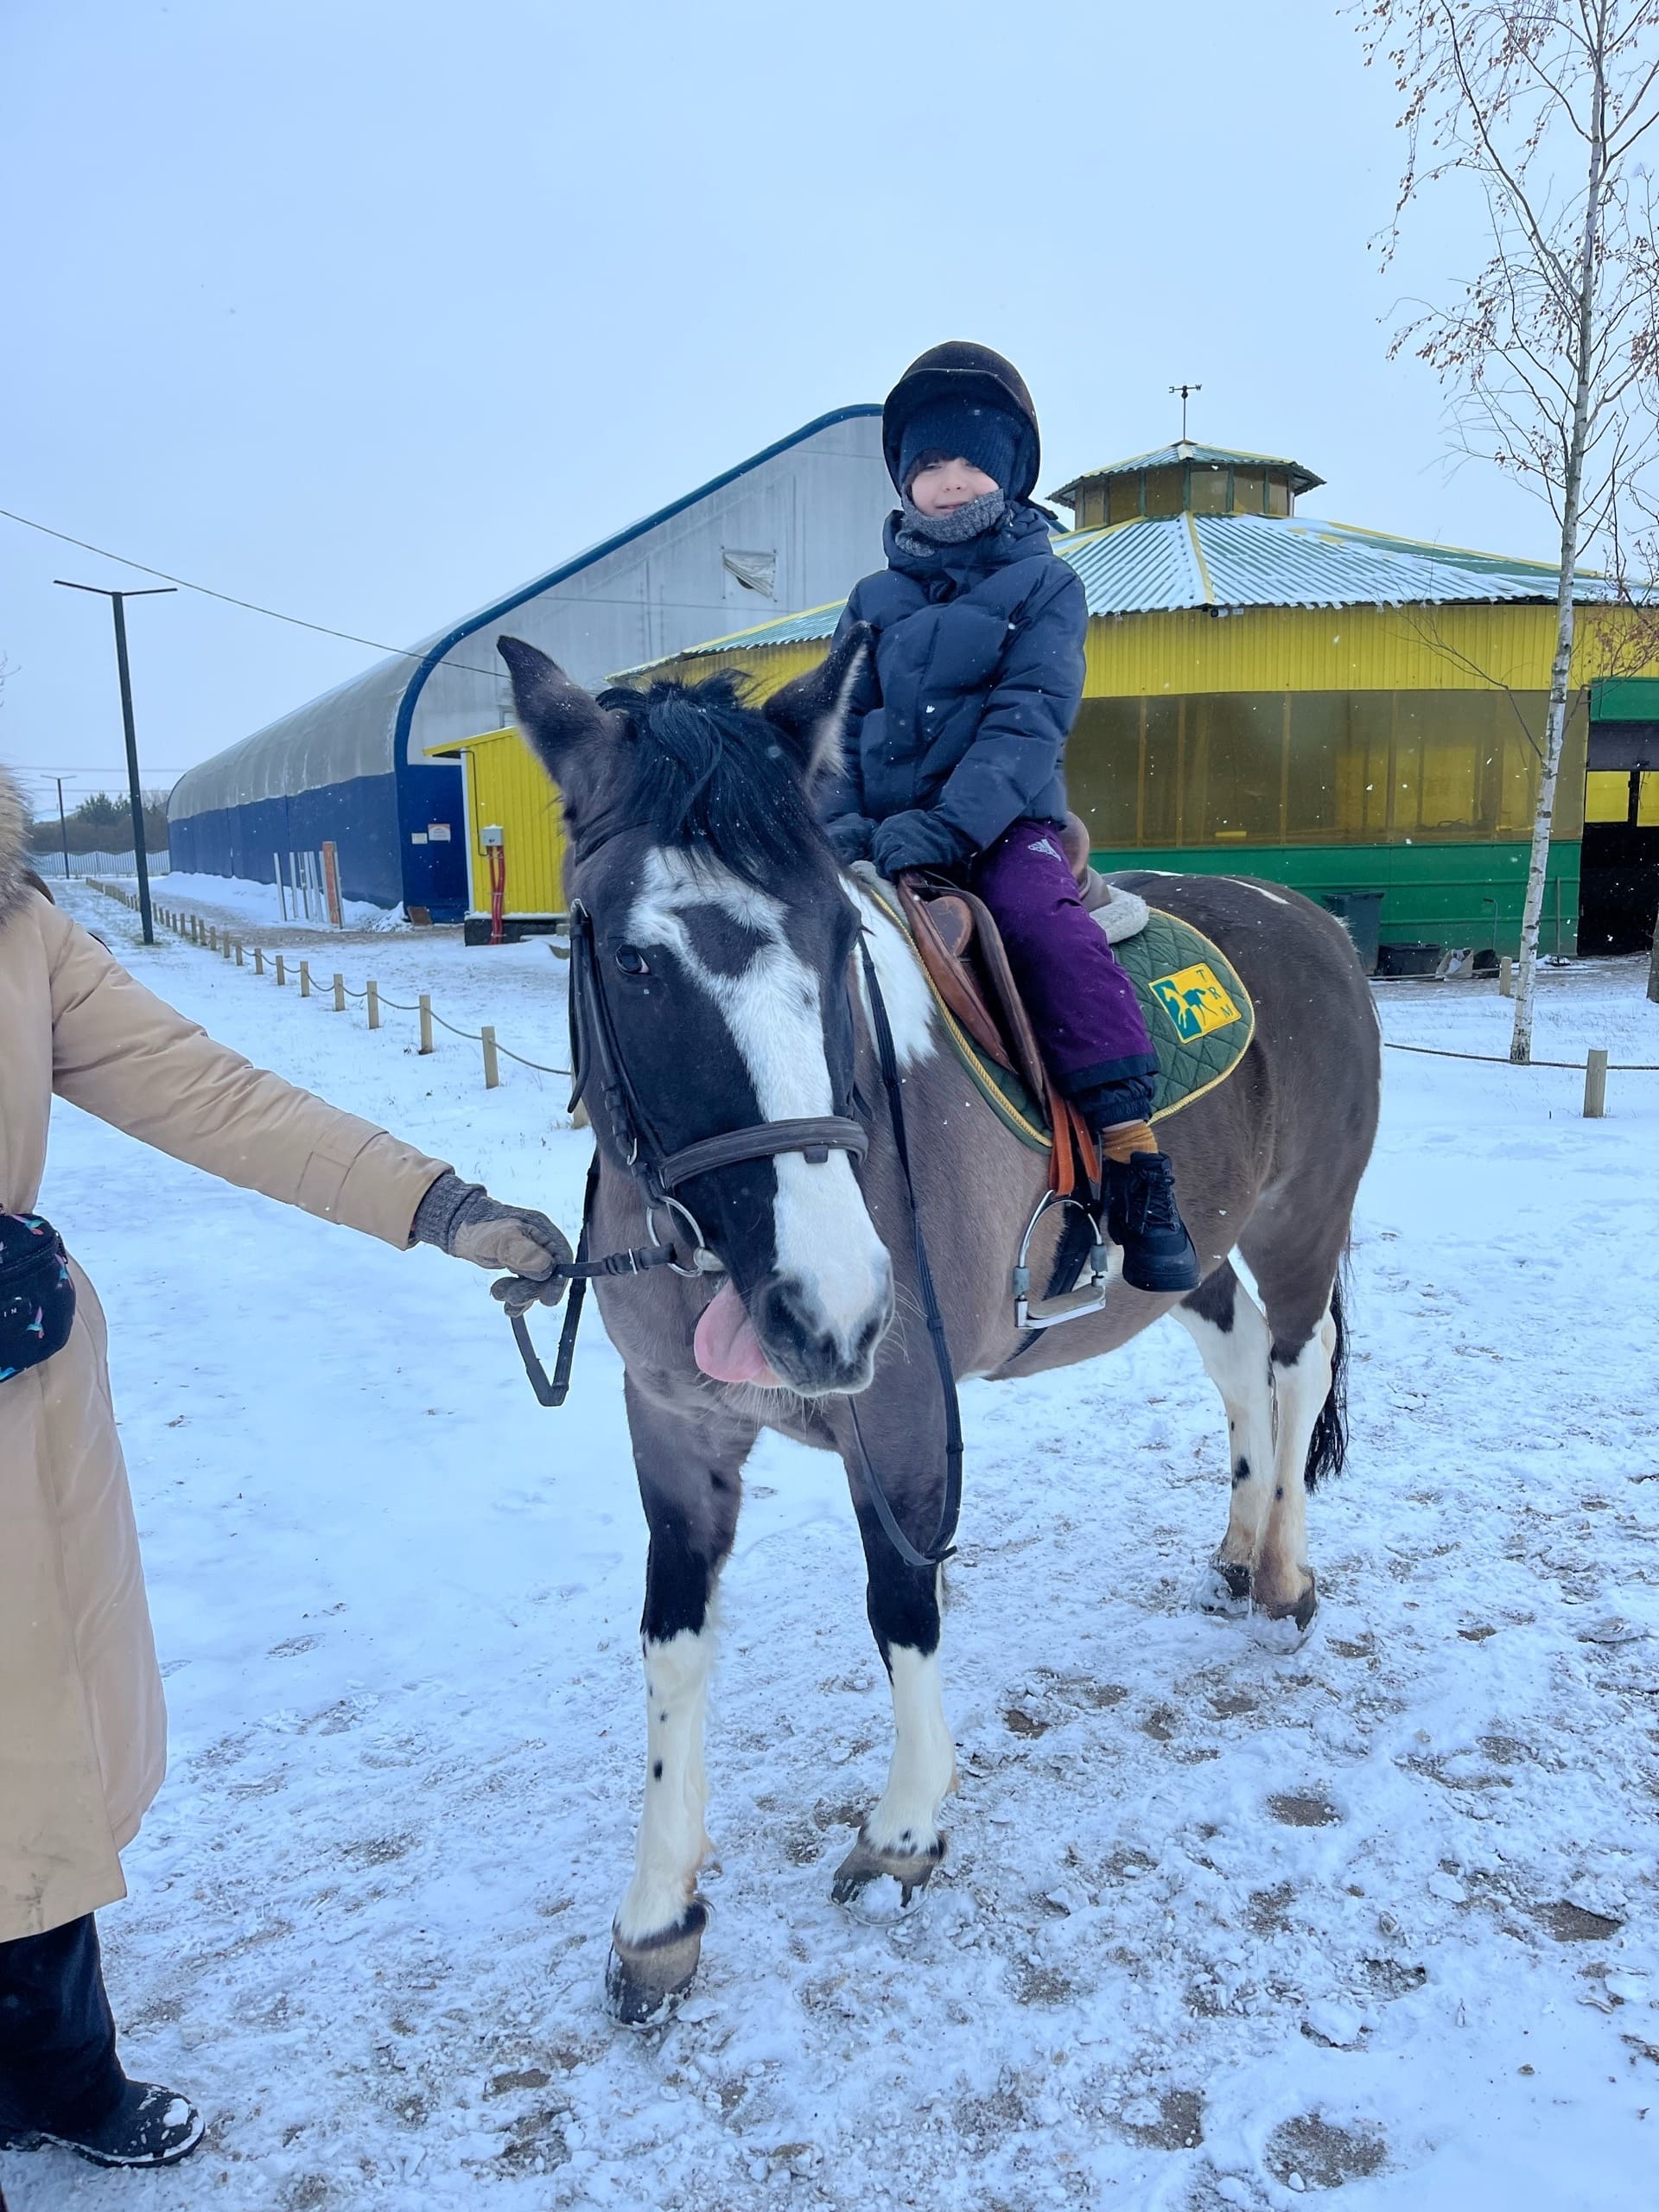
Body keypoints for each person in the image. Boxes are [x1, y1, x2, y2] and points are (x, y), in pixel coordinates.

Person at [0, 766, 570, 2171]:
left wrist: (441, 1206)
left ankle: (54, 2076)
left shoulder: (19, 926)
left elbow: (207, 1087)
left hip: (11, 1392)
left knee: (22, 1761)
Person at [821, 340, 1199, 1293]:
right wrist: (843, 828)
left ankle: (1132, 1152)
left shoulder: (1046, 586)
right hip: (872, 841)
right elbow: (838, 719)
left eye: (970, 461)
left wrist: (949, 828)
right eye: (929, 465)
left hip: (998, 830)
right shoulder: (870, 600)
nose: (949, 483)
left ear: (1012, 472)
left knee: (1041, 925)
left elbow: (1027, 719)